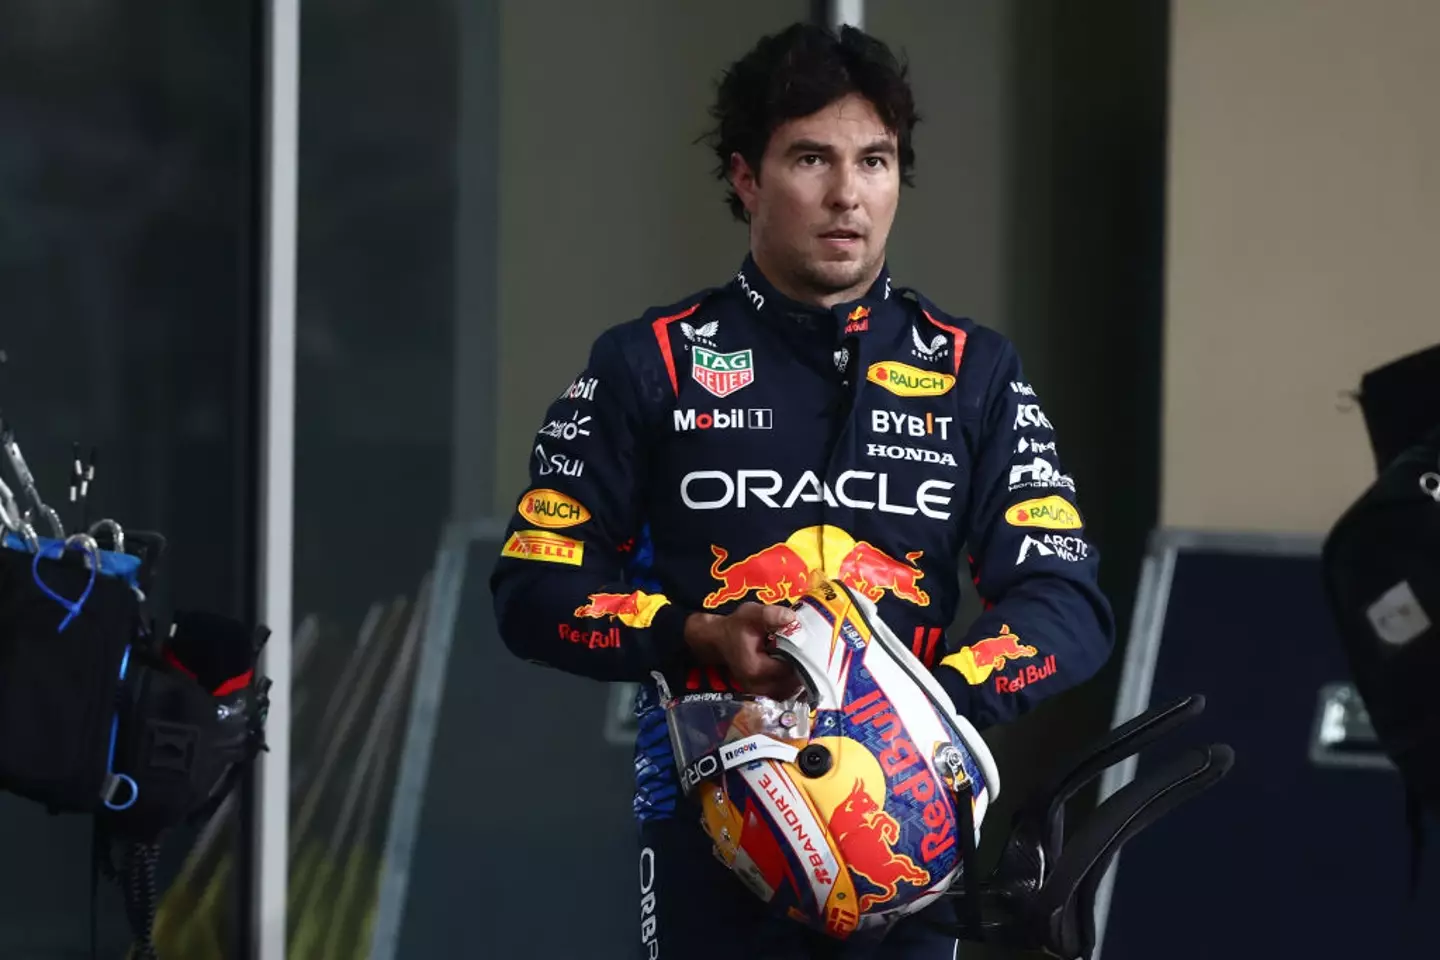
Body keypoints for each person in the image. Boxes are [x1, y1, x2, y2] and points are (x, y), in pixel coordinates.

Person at [490, 21, 1115, 959]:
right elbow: (532, 590)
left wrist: (925, 712)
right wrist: (692, 634)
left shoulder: (973, 370)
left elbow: (1066, 600)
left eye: (875, 160)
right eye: (811, 158)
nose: (847, 194)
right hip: (716, 834)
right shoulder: (646, 363)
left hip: (910, 840)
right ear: (746, 178)